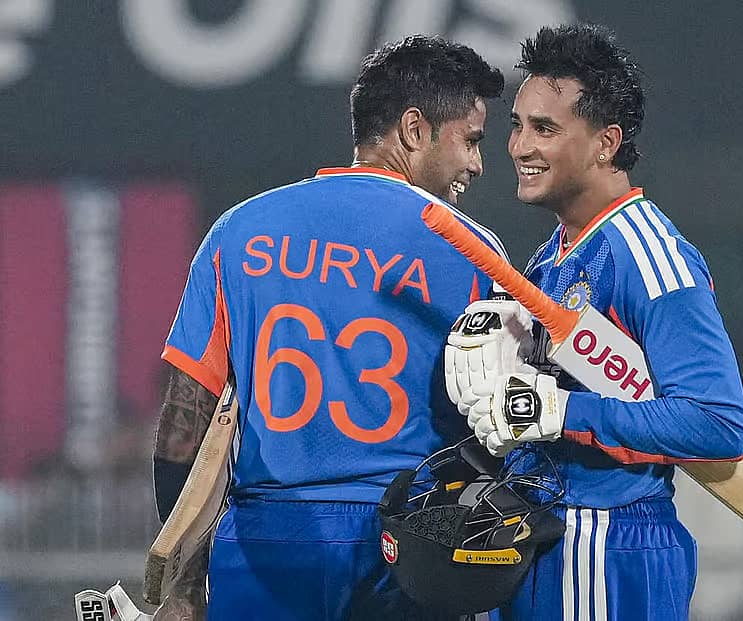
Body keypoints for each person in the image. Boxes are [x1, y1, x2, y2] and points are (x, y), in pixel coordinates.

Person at [151, 35, 507, 620]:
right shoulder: (472, 251)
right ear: (414, 130)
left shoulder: (238, 233)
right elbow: (500, 430)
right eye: (469, 140)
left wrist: (182, 582)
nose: (476, 163)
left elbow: (181, 429)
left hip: (262, 549)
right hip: (407, 551)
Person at [447, 24, 743, 620]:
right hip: (547, 532)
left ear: (606, 143)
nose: (519, 146)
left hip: (606, 543)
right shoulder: (552, 256)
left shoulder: (649, 256)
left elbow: (717, 423)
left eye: (545, 129)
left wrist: (560, 411)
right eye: (517, 125)